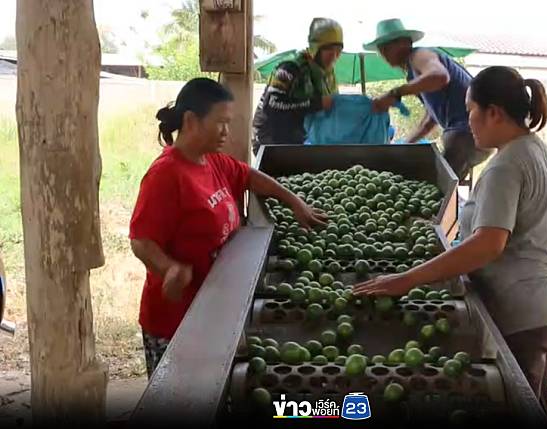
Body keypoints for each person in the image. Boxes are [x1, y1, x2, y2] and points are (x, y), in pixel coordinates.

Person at [354, 66, 547, 412]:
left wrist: (408, 279)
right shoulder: (535, 149)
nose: (466, 120)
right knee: (537, 400)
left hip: (523, 315)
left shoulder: (506, 167)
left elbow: (488, 245)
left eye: (470, 111)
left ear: (494, 113)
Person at [129, 78, 327, 378]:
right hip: (176, 320)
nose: (226, 132)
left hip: (212, 310)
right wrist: (168, 268)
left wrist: (295, 202)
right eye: (221, 123)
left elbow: (249, 176)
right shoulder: (165, 175)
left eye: (229, 123)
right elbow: (141, 240)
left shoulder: (212, 161)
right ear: (191, 120)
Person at [363, 18, 491, 181]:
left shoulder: (419, 55)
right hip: (470, 137)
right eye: (381, 49)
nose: (383, 54)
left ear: (404, 43)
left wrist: (394, 94)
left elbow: (440, 76)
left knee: (436, 188)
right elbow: (430, 120)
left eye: (386, 47)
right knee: (442, 188)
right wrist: (404, 145)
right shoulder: (414, 74)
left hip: (466, 134)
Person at [251, 18, 343, 155]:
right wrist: (318, 103)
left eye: (338, 50)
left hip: (298, 139)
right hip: (270, 140)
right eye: (329, 50)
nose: (334, 56)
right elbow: (272, 105)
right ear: (316, 49)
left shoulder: (327, 76)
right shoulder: (289, 68)